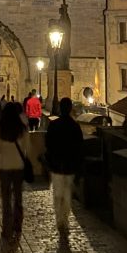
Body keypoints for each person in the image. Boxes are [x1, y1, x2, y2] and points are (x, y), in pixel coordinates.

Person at [44, 97, 84, 238]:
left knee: (58, 194)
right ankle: (65, 220)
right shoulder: (75, 126)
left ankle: (59, 219)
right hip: (70, 166)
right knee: (67, 194)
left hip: (56, 165)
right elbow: (79, 147)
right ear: (70, 108)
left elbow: (48, 144)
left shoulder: (54, 125)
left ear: (60, 108)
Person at [0, 101, 29, 241]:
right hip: (18, 167)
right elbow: (27, 148)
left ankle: (6, 228)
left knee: (6, 199)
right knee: (18, 198)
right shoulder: (22, 128)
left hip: (4, 167)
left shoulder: (0, 127)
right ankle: (17, 225)